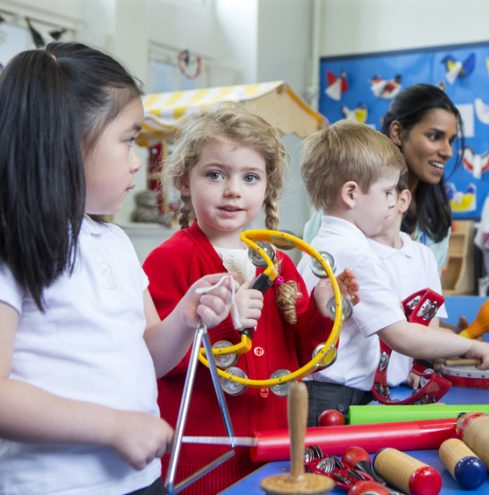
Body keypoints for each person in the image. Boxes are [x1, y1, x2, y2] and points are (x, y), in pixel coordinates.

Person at [0, 43, 235, 495]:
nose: (137, 160)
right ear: (66, 141)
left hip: (139, 478)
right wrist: (111, 426)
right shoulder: (14, 241)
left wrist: (185, 318)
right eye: (129, 140)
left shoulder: (114, 243)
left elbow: (148, 353)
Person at [142, 105, 358, 494]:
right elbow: (155, 362)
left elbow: (306, 352)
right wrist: (223, 322)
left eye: (250, 177)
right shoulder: (169, 260)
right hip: (202, 460)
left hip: (272, 453)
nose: (233, 190)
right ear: (184, 181)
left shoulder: (281, 265)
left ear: (267, 187)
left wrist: (327, 309)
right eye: (215, 174)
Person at [297, 120, 489, 425]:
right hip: (334, 400)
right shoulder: (356, 255)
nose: (390, 204)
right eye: (386, 192)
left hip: (325, 393)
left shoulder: (323, 244)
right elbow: (401, 334)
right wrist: (473, 346)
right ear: (351, 194)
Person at [304, 83, 461, 269]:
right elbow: (319, 265)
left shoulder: (436, 214)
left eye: (451, 141)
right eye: (434, 136)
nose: (448, 151)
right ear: (398, 132)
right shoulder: (350, 197)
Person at [368, 179, 447, 389]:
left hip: (403, 384)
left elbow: (431, 323)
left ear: (403, 200)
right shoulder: (360, 251)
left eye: (384, 193)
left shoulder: (424, 255)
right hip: (363, 385)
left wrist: (419, 367)